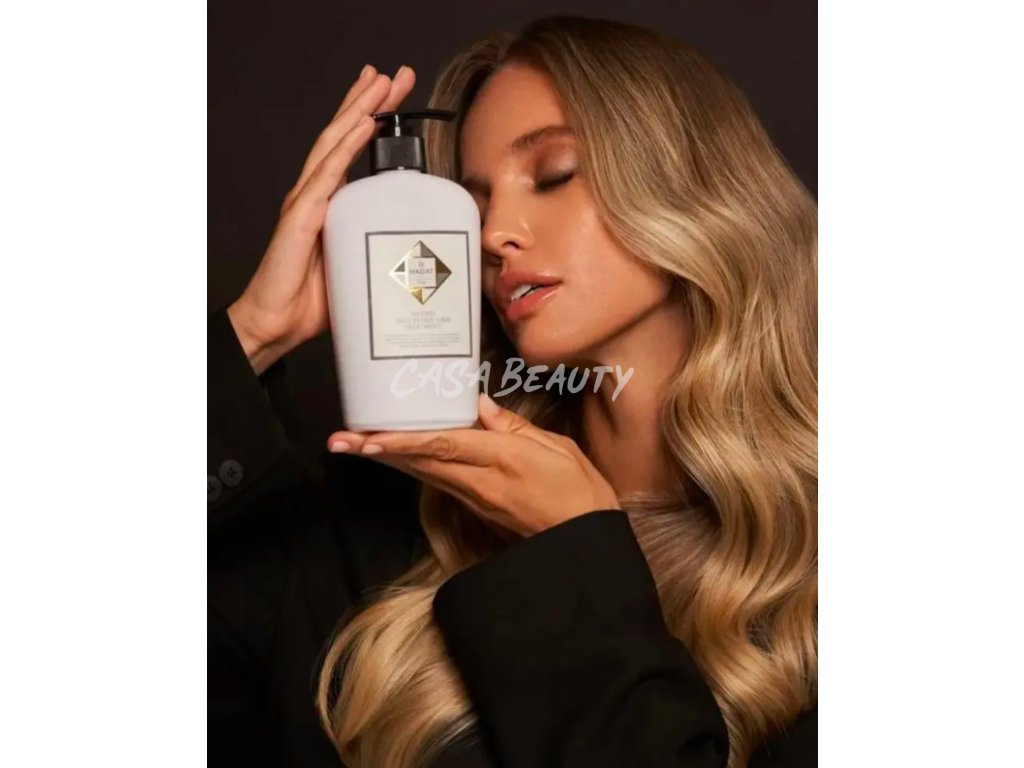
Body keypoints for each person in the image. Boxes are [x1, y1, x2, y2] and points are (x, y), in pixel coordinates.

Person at [209, 15, 817, 768]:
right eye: (472, 204)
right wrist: (254, 334)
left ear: (694, 185)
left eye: (554, 173)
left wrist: (574, 548)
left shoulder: (814, 563)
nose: (493, 233)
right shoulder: (398, 519)